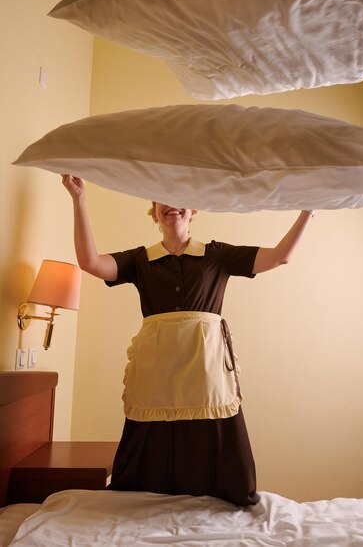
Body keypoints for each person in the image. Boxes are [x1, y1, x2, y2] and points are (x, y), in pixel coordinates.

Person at [62, 174, 315, 507]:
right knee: (150, 436)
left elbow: (280, 256)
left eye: (180, 196)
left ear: (193, 209)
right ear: (153, 211)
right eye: (162, 198)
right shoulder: (139, 260)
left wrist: (308, 210)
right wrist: (78, 199)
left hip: (206, 367)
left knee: (219, 435)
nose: (172, 205)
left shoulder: (218, 255)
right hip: (157, 368)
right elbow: (90, 262)